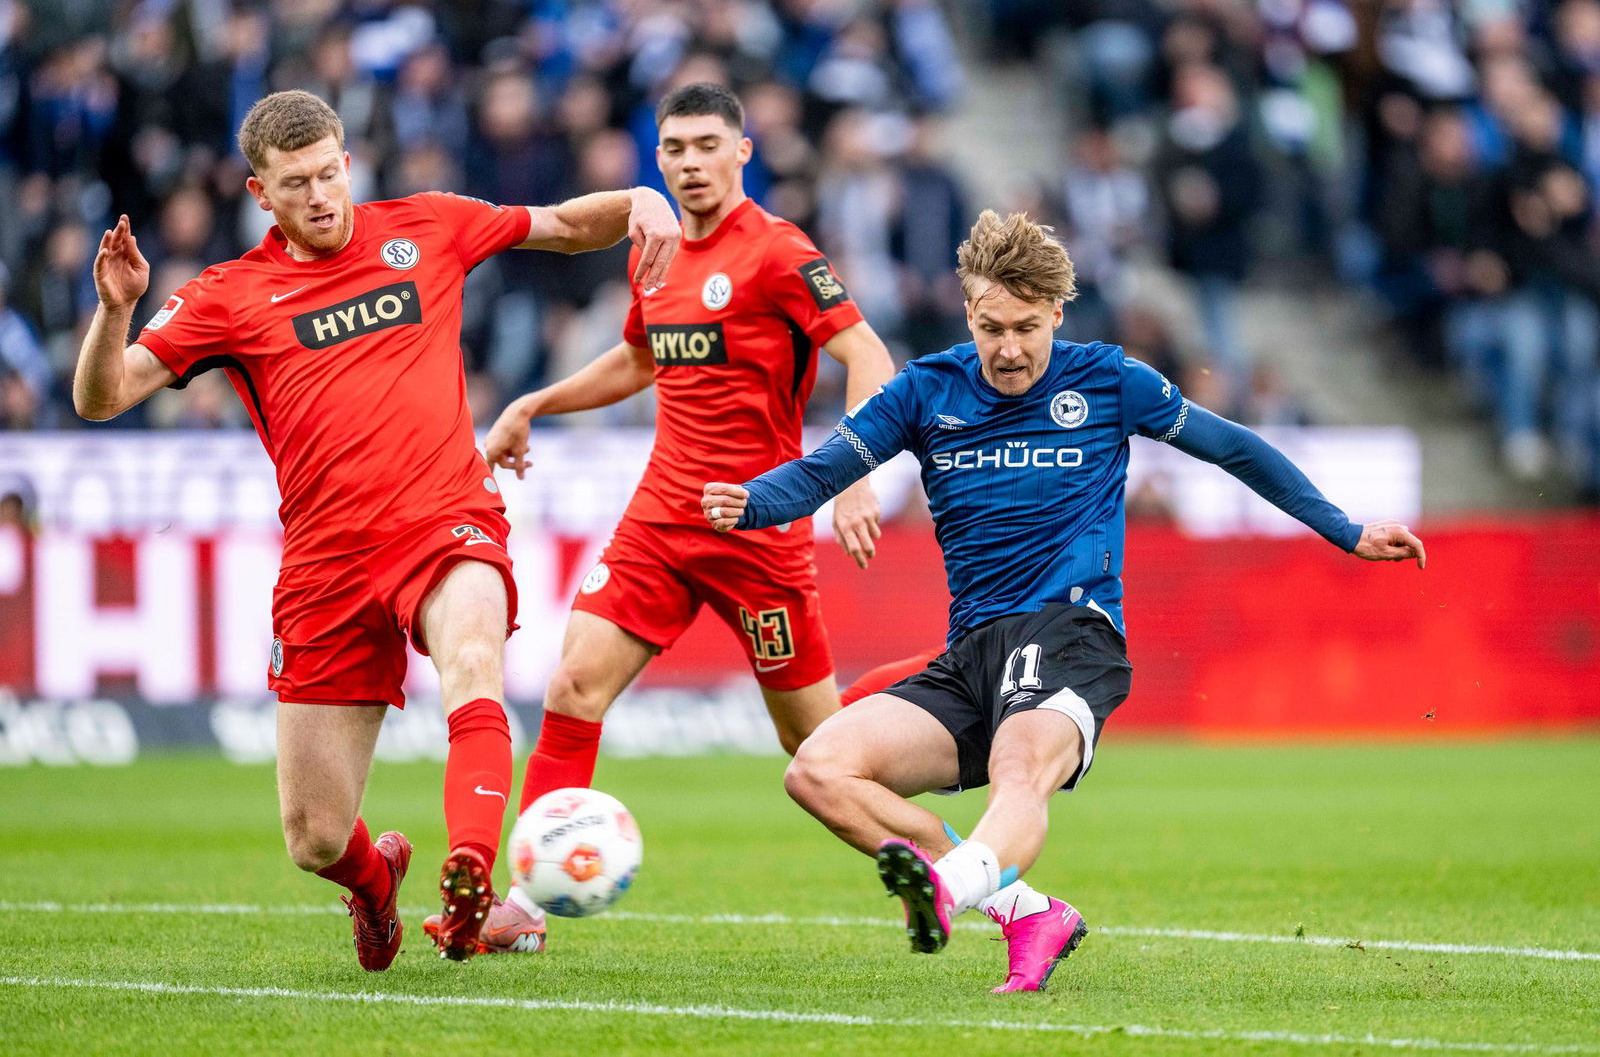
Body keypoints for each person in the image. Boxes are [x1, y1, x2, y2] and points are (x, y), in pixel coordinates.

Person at [702, 210, 1426, 992]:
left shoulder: (1111, 380)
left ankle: (945, 891)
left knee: (1020, 769)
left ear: (1056, 312)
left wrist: (1343, 529)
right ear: (967, 312)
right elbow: (822, 470)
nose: (1007, 348)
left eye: (1024, 327)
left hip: (1073, 633)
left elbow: (1235, 447)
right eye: (990, 327)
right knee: (818, 770)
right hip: (971, 650)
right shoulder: (925, 391)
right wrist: (747, 501)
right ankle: (1027, 913)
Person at [72, 89, 681, 968]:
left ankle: (469, 873)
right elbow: (99, 399)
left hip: (445, 519)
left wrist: (640, 204)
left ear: (348, 163)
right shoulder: (229, 295)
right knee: (314, 836)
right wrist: (117, 308)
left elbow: (563, 226)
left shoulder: (431, 226)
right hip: (326, 564)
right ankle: (375, 883)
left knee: (474, 658)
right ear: (259, 194)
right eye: (297, 184)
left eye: (329, 174)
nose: (320, 196)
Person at [461, 82, 896, 953]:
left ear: (743, 152)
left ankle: (960, 857)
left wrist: (852, 477)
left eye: (707, 145)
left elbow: (868, 353)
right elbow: (637, 358)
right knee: (571, 686)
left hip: (757, 528)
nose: (691, 163)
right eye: (674, 149)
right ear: (655, 159)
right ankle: (525, 908)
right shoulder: (652, 250)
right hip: (661, 519)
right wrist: (534, 403)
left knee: (819, 748)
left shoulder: (778, 253)